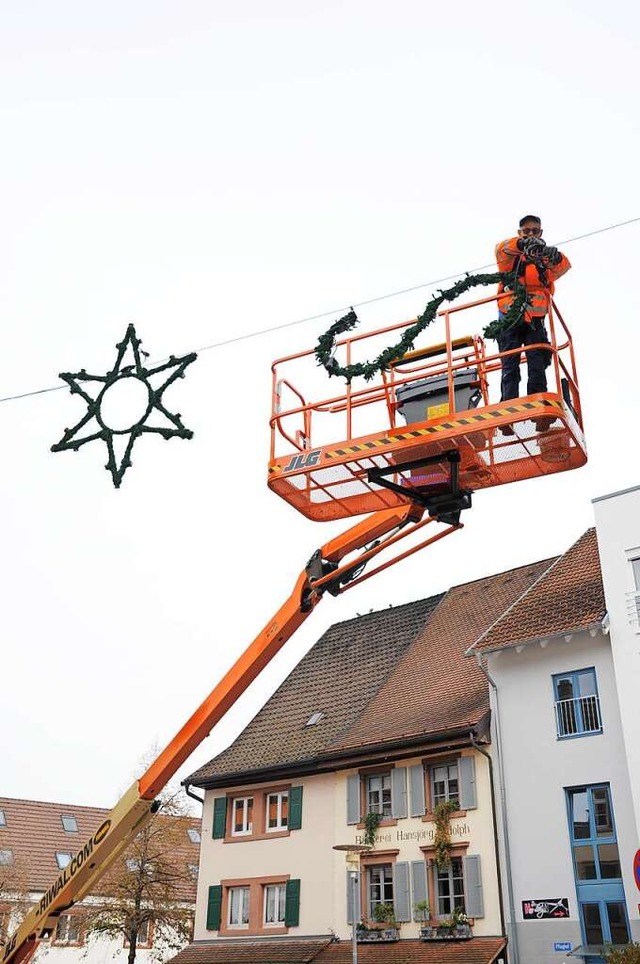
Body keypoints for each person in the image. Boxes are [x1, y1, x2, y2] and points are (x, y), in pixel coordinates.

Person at [495, 215, 571, 433]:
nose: (530, 234)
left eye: (534, 231)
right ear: (520, 232)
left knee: (537, 364)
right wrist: (521, 244)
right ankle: (508, 415)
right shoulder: (510, 256)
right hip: (509, 318)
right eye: (526, 231)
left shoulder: (544, 261)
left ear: (541, 233)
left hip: (535, 321)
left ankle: (538, 412)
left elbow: (563, 267)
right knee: (510, 366)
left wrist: (554, 256)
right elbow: (500, 250)